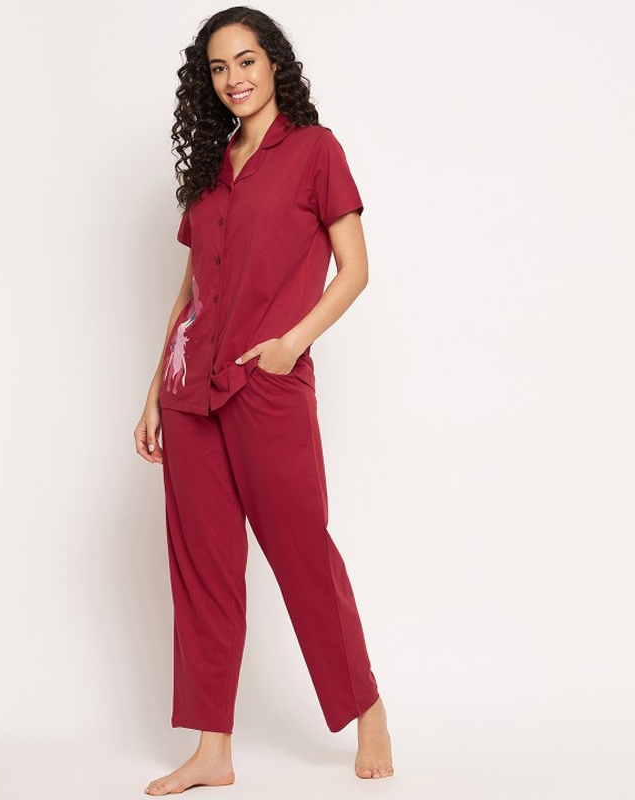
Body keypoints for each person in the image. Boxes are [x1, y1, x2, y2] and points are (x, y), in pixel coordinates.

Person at [134, 7, 394, 793]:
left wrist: (291, 343)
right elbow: (192, 291)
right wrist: (154, 392)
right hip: (190, 395)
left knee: (301, 551)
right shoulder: (211, 168)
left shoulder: (315, 151)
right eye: (218, 68)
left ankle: (366, 707)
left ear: (275, 63)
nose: (234, 79)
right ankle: (213, 749)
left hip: (268, 384)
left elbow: (355, 270)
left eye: (246, 61)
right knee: (204, 572)